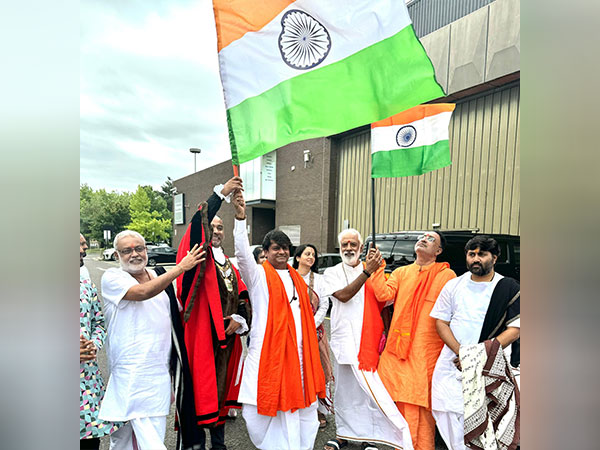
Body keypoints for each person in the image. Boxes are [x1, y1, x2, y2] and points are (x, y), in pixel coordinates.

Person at [231, 189, 326, 450]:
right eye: (276, 248)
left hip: (299, 354)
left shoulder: (297, 277)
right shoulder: (258, 275)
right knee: (255, 410)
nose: (282, 252)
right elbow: (241, 254)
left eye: (285, 248)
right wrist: (240, 220)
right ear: (266, 251)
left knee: (302, 408)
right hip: (267, 353)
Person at [99, 230, 205, 450]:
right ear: (117, 255)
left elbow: (178, 314)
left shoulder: (158, 277)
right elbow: (142, 292)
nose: (134, 254)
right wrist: (179, 268)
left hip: (159, 372)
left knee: (138, 436)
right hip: (130, 373)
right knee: (138, 439)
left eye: (139, 248)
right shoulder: (112, 277)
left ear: (146, 250)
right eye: (127, 250)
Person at [322, 229, 414, 450]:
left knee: (369, 392)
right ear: (339, 247)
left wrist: (375, 271)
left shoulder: (375, 271)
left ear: (361, 248)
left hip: (368, 342)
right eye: (344, 245)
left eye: (353, 244)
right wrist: (367, 272)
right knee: (345, 391)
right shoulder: (332, 272)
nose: (348, 248)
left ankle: (374, 437)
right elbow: (343, 296)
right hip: (344, 340)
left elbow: (387, 302)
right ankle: (342, 434)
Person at [430, 236, 520, 450]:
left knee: (488, 422)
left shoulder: (507, 287)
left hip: (490, 366)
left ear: (494, 258)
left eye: (482, 254)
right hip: (453, 362)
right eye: (472, 254)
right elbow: (441, 322)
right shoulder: (453, 285)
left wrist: (478, 356)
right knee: (448, 411)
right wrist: (462, 353)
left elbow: (515, 330)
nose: (476, 258)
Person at [370, 231, 457, 450]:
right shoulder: (401, 272)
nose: (423, 239)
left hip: (426, 352)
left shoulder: (447, 276)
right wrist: (377, 268)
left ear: (438, 251)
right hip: (399, 349)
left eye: (430, 239)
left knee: (421, 408)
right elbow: (383, 295)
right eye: (422, 236)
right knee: (397, 402)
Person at [173, 206, 250, 450]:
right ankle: (194, 445)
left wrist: (240, 317)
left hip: (227, 341)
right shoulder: (196, 258)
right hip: (202, 338)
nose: (215, 231)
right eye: (211, 226)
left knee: (221, 391)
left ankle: (219, 445)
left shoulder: (229, 263)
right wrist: (221, 194)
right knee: (199, 393)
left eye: (220, 227)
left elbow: (243, 295)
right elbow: (197, 228)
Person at [80, 234, 120, 449]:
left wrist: (94, 344)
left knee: (90, 440)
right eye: (78, 244)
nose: (83, 249)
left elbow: (98, 323)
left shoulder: (86, 286)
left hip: (86, 382)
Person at [292, 244, 332, 429]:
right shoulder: (289, 276)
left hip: (314, 332)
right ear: (298, 257)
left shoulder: (320, 280)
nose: (311, 257)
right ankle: (296, 408)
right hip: (292, 332)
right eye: (307, 254)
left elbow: (324, 305)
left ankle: (318, 410)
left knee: (319, 370)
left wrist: (309, 326)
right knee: (296, 371)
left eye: (313, 255)